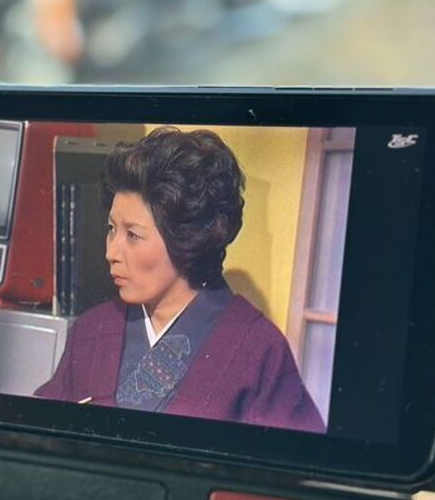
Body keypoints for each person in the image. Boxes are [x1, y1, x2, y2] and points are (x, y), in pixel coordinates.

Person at [36, 126, 326, 433]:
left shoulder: (259, 348)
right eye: (111, 229)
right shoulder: (92, 329)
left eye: (133, 235)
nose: (111, 252)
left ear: (186, 239)